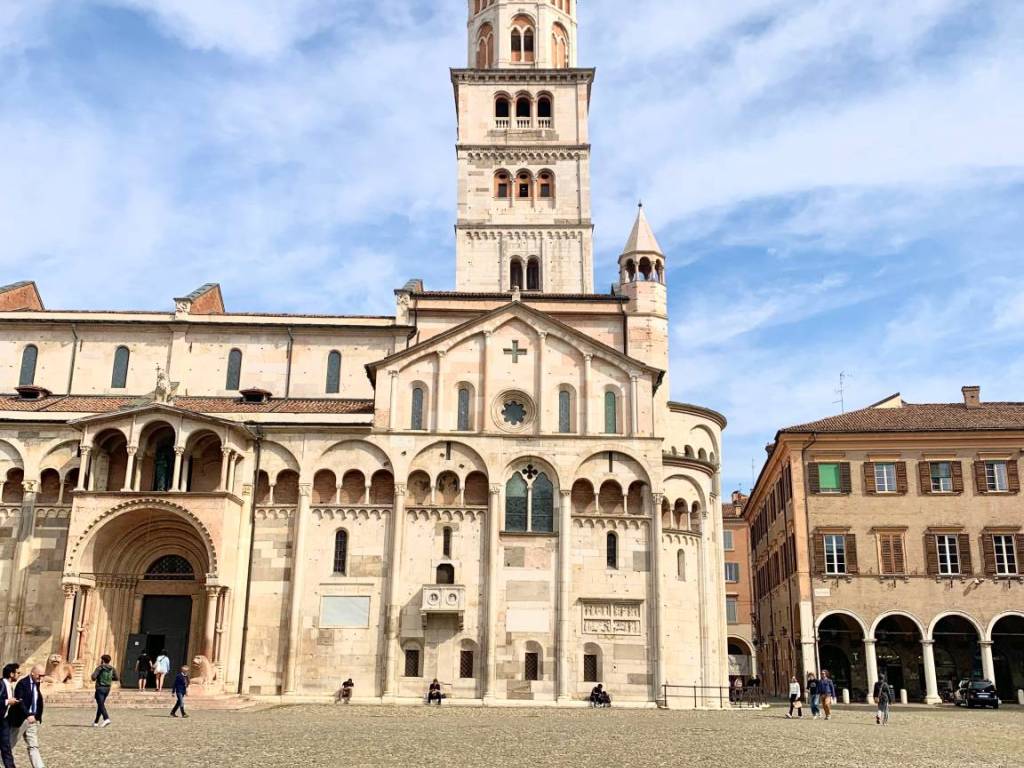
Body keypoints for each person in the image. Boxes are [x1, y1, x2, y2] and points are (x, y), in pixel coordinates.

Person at [8, 664, 46, 768]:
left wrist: (37, 716)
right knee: (10, 744)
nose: (41, 678)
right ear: (32, 673)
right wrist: (28, 715)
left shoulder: (37, 683)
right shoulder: (22, 683)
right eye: (39, 675)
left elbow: (37, 700)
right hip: (21, 720)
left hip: (32, 721)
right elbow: (20, 702)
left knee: (33, 746)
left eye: (43, 675)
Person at [90, 654, 118, 727]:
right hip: (107, 688)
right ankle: (96, 722)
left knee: (101, 704)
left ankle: (106, 718)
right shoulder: (112, 668)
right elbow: (117, 678)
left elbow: (93, 677)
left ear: (102, 660)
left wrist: (95, 676)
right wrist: (109, 678)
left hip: (100, 688)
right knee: (100, 704)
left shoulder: (100, 667)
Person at [1, 663, 20, 768]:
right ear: (11, 674)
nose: (19, 675)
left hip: (4, 721)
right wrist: (8, 701)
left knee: (6, 747)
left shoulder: (10, 686)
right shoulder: (1, 684)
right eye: (17, 672)